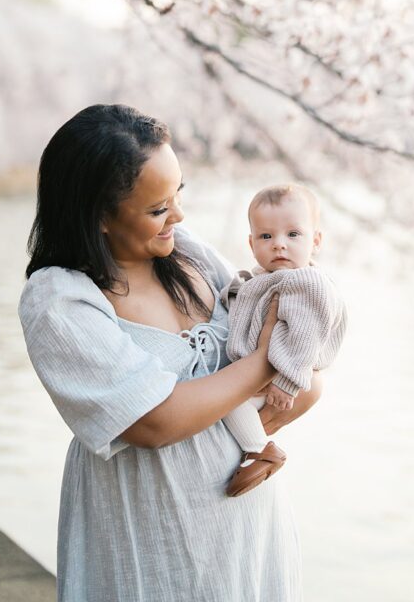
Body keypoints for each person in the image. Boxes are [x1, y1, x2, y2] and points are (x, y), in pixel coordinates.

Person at [19, 104, 321, 602]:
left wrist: (252, 424)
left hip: (248, 531)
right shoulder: (60, 301)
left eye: (177, 195)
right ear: (99, 216)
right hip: (152, 537)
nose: (177, 216)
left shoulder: (188, 253)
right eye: (158, 208)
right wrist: (267, 360)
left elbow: (307, 355)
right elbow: (154, 422)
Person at [220, 184, 347, 497]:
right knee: (227, 402)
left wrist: (287, 382)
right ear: (251, 243)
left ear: (315, 241)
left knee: (226, 403)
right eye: (266, 237)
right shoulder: (267, 276)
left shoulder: (307, 283)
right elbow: (248, 296)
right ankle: (254, 450)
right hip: (264, 371)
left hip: (281, 377)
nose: (279, 245)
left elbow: (305, 335)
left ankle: (259, 451)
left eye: (293, 235)